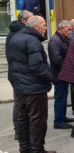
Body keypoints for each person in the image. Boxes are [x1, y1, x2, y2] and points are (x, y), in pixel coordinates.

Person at [8, 16, 56, 153]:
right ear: (36, 27)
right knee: (37, 122)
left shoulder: (15, 38)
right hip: (34, 89)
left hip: (20, 87)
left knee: (22, 119)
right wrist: (51, 78)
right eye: (44, 25)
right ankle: (37, 150)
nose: (46, 28)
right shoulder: (32, 40)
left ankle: (25, 149)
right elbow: (37, 67)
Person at [5, 10, 33, 140]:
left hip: (18, 73)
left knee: (22, 103)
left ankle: (23, 129)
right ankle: (19, 131)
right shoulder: (17, 34)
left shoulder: (19, 32)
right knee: (19, 104)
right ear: (24, 20)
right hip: (17, 74)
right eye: (31, 19)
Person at [48, 20, 74, 130]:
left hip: (64, 73)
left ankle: (62, 117)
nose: (70, 31)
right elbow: (56, 59)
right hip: (58, 74)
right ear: (61, 28)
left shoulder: (64, 39)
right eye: (68, 29)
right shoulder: (55, 40)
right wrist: (70, 65)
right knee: (60, 98)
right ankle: (58, 121)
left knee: (64, 97)